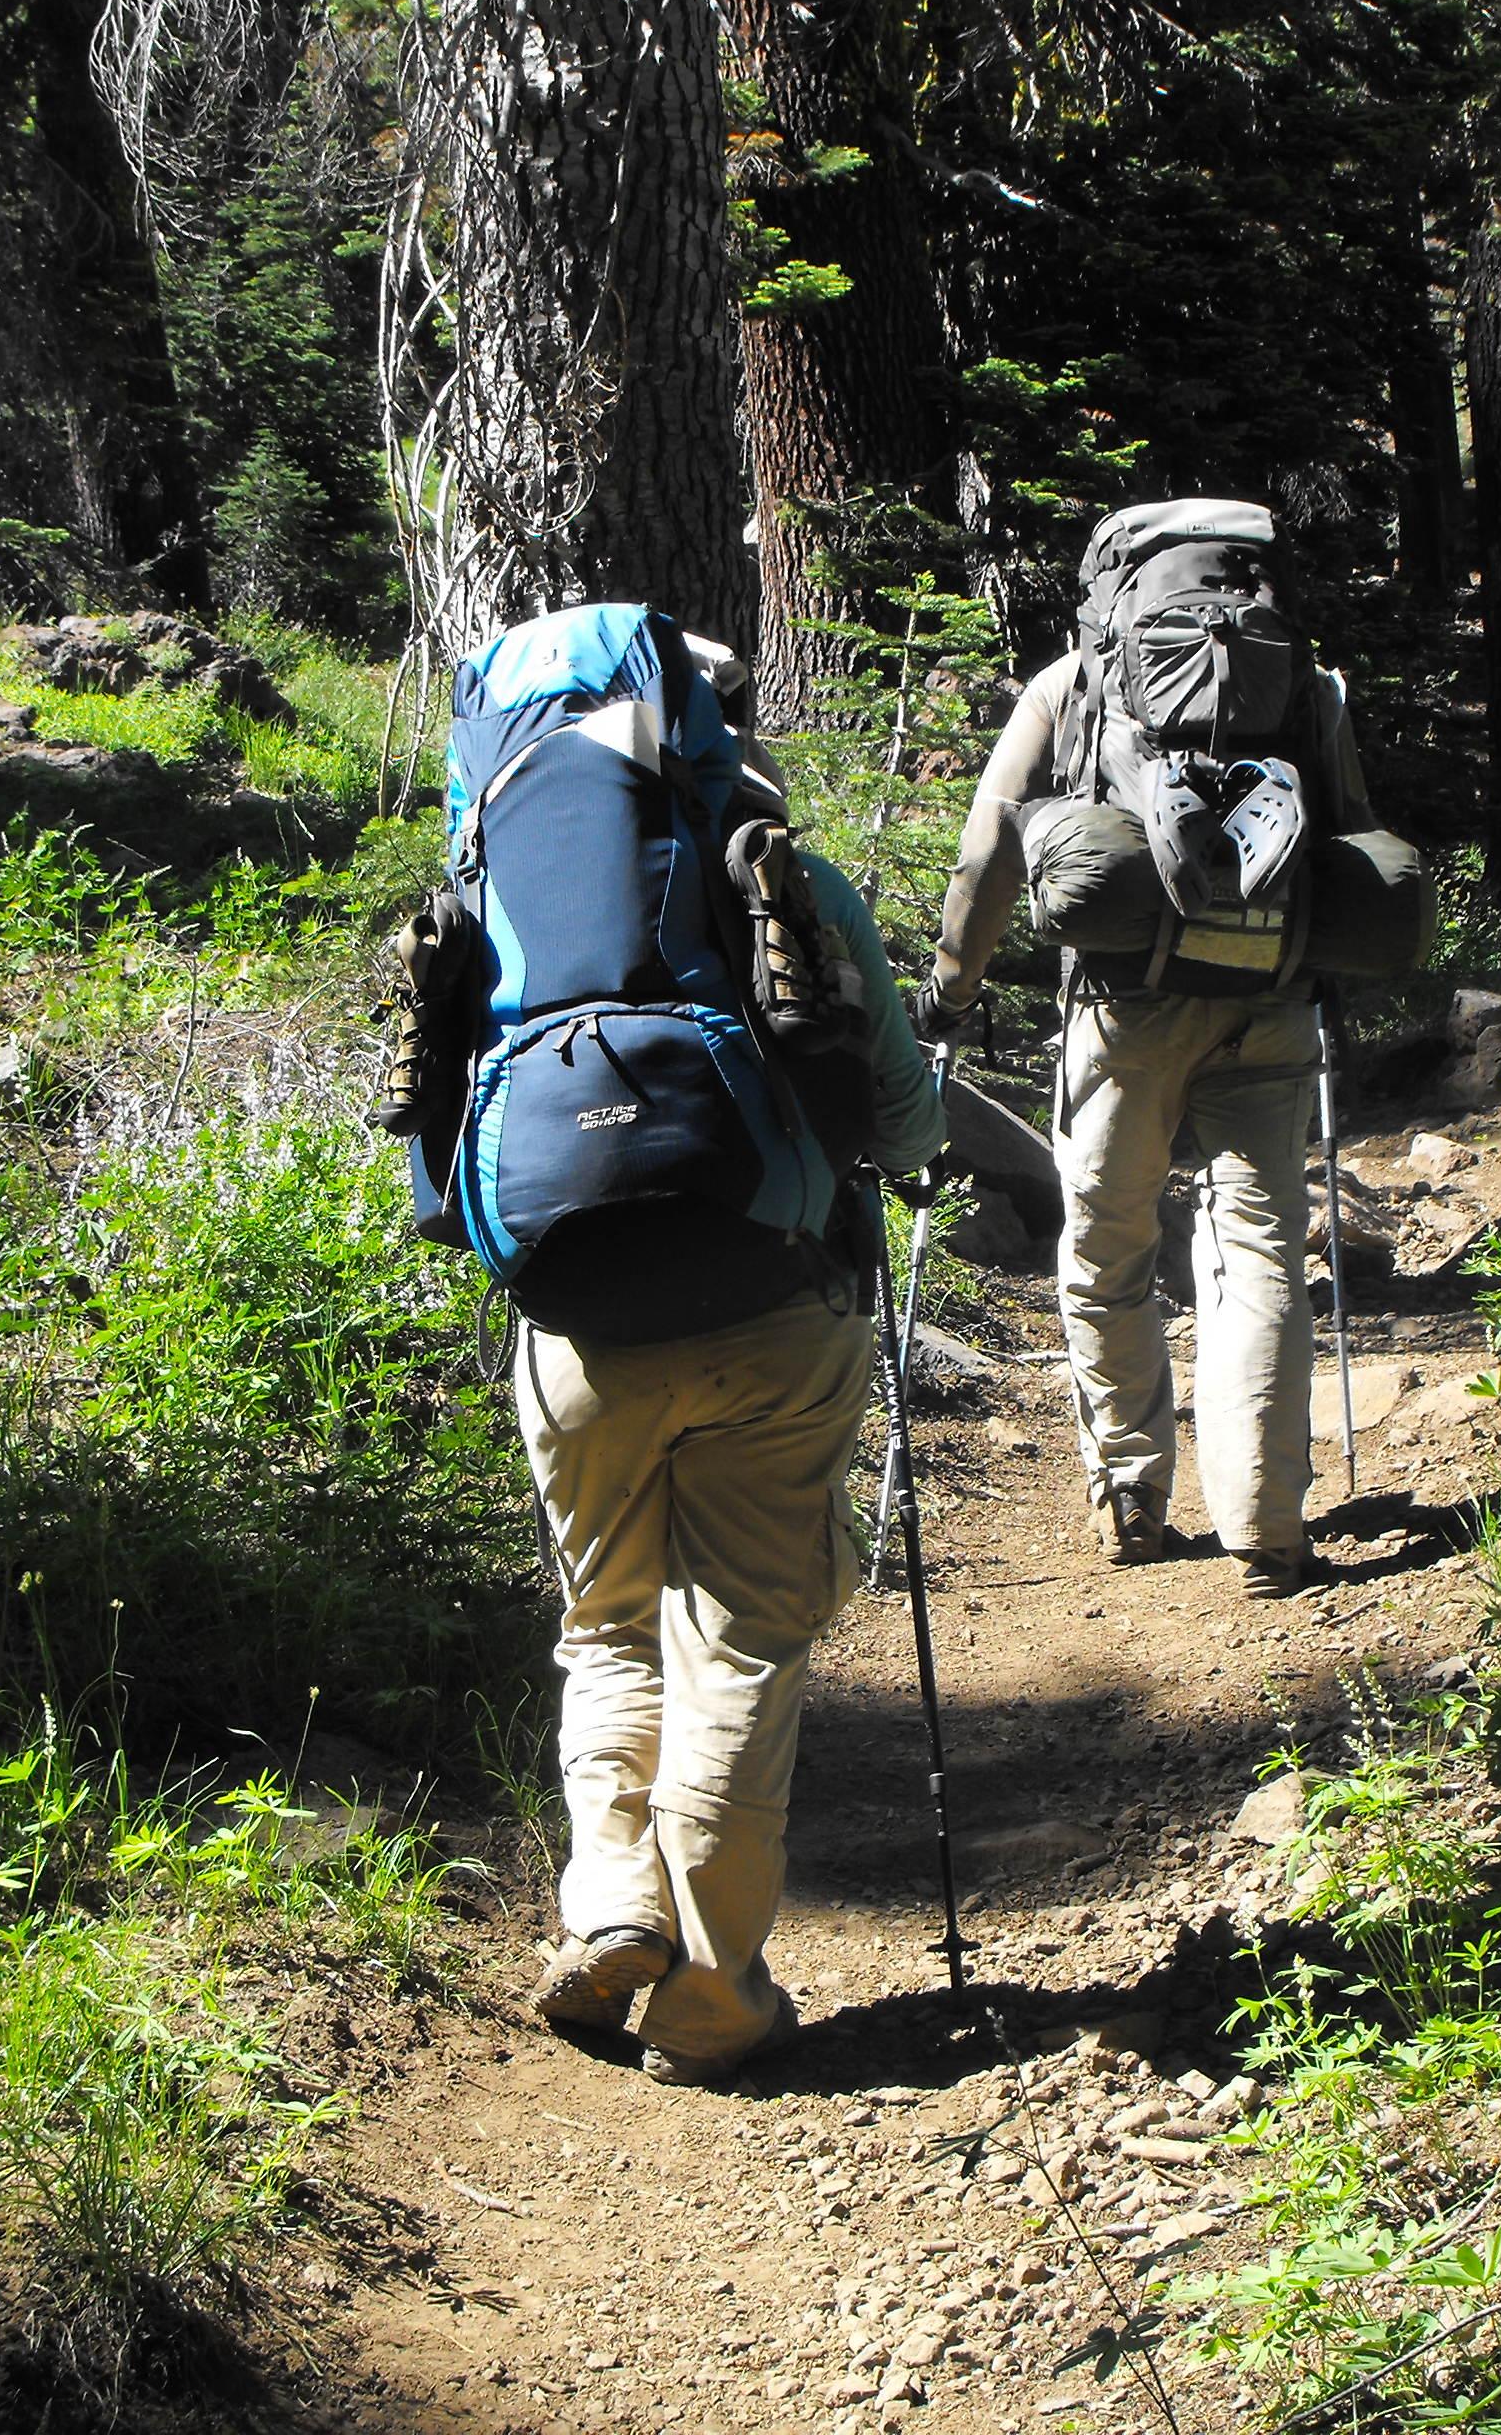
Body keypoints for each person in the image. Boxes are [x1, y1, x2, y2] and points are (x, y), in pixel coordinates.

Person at [398, 606, 943, 2083]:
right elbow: (905, 1123)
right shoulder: (781, 877)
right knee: (746, 1633)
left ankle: (608, 1909)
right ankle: (712, 1991)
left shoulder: (471, 906)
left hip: (575, 1327)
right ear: (704, 734)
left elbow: (441, 1182)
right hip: (774, 1304)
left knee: (607, 1624)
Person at [919, 502, 1377, 1601]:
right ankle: (1266, 1525)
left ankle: (1131, 1494)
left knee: (1108, 1247)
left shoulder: (1073, 682)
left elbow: (991, 851)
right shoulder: (1309, 688)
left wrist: (950, 988)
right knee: (1259, 1253)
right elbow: (1351, 836)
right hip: (1267, 1003)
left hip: (1123, 1010)